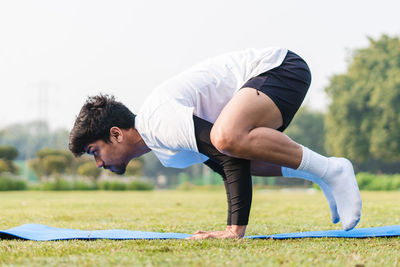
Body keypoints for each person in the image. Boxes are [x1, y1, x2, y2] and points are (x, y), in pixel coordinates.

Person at [69, 47, 362, 239]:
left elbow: (226, 151)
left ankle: (331, 170)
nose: (99, 163)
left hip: (280, 68)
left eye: (95, 152)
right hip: (273, 77)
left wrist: (233, 230)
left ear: (116, 134)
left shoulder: (157, 122)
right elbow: (227, 164)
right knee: (244, 154)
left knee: (227, 138)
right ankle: (321, 172)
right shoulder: (164, 149)